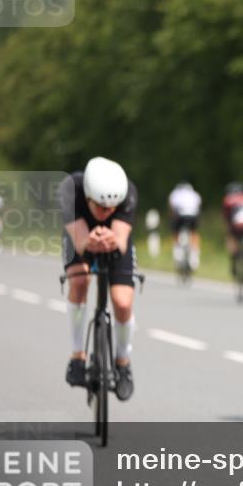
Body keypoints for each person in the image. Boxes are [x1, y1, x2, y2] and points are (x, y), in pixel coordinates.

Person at [60, 157, 139, 401]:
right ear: (88, 198)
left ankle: (123, 362)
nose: (108, 212)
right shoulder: (70, 190)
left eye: (113, 207)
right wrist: (89, 241)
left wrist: (112, 240)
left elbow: (121, 241)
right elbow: (81, 242)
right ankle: (77, 356)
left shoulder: (127, 192)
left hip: (114, 238)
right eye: (102, 208)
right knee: (79, 281)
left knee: (123, 302)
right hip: (80, 232)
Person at [168, 180, 202, 270]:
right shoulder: (194, 193)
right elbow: (198, 205)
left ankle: (177, 252)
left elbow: (171, 207)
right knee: (194, 232)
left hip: (180, 216)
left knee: (175, 231)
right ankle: (194, 254)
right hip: (193, 216)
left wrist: (172, 219)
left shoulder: (175, 193)